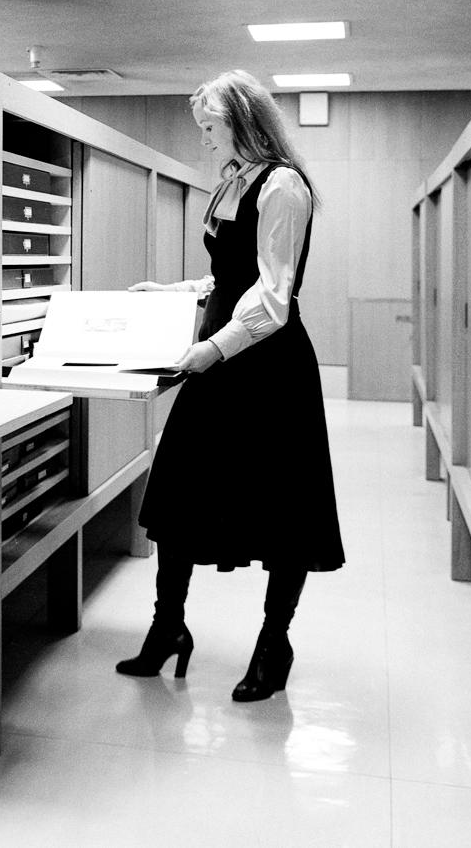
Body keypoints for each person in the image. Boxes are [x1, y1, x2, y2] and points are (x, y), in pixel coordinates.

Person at [116, 70, 345, 702]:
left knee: (283, 511)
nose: (205, 139)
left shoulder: (284, 186)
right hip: (218, 362)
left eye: (210, 127)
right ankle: (168, 628)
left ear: (243, 121)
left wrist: (212, 348)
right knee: (178, 497)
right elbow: (229, 276)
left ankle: (274, 644)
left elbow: (272, 298)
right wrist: (174, 293)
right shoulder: (233, 180)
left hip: (270, 372)